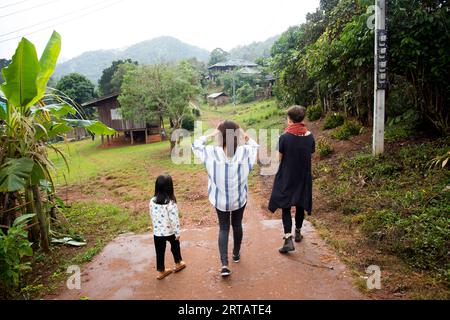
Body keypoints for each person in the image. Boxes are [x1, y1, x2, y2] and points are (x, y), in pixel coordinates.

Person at [192, 121, 259, 277]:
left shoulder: (211, 152)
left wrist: (211, 134)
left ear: (219, 136)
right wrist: (244, 134)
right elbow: (255, 147)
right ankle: (236, 254)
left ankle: (224, 264)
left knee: (223, 228)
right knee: (237, 224)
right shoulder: (245, 152)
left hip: (220, 200)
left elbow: (195, 145)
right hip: (239, 199)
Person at [268, 106, 315, 253]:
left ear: (290, 120)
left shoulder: (284, 137)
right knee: (300, 203)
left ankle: (288, 239)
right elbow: (311, 153)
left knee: (286, 205)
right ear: (302, 119)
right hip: (303, 175)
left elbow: (279, 158)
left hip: (287, 175)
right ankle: (299, 232)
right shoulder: (310, 136)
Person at [149, 175, 186, 280]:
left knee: (159, 252)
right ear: (170, 187)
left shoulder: (152, 201)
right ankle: (178, 263)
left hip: (157, 233)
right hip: (170, 232)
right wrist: (177, 233)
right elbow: (174, 219)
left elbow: (151, 214)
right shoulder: (170, 203)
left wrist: (156, 226)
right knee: (175, 247)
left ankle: (161, 271)